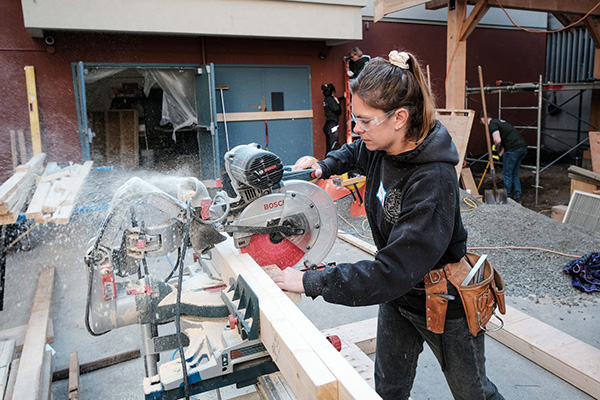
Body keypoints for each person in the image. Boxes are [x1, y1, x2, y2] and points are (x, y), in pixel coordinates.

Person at [274, 50, 504, 400]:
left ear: (399, 117)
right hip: (400, 296)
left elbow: (390, 271)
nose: (357, 128)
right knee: (388, 388)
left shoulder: (433, 181)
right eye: (355, 117)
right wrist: (324, 166)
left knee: (473, 394)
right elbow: (354, 153)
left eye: (365, 120)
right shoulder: (381, 144)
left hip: (442, 297)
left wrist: (309, 280)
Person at [479, 112, 528, 202]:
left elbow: (498, 140)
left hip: (512, 150)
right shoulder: (499, 122)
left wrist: (495, 147)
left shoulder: (492, 125)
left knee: (507, 174)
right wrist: (499, 155)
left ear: (482, 119)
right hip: (521, 148)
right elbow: (506, 142)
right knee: (514, 173)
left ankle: (507, 196)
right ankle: (517, 195)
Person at [321, 83, 342, 153]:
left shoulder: (326, 100)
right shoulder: (330, 99)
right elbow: (338, 111)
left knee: (329, 147)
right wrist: (338, 103)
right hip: (332, 125)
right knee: (334, 147)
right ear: (332, 92)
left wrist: (341, 98)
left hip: (328, 125)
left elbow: (332, 104)